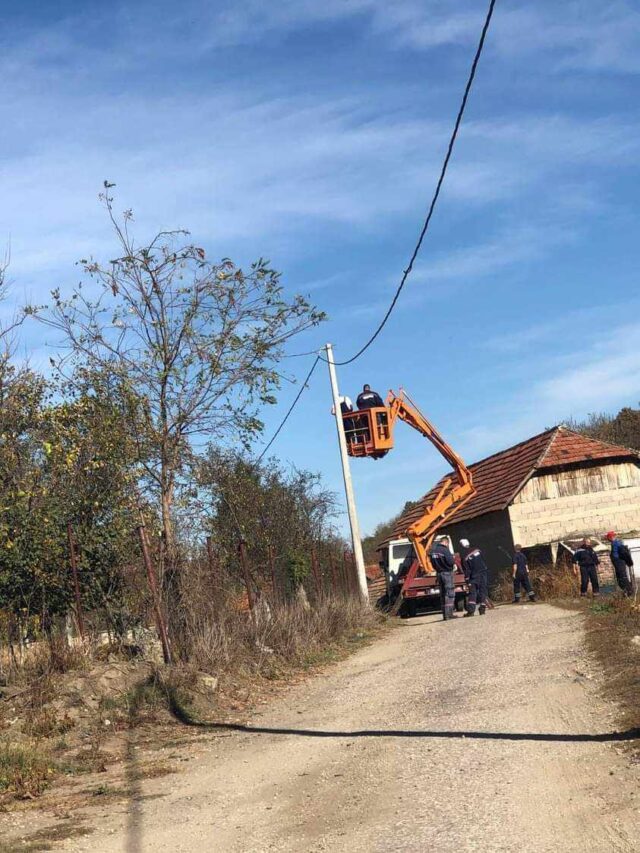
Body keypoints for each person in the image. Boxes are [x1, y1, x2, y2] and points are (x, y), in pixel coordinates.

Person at [429, 536, 457, 621]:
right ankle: (449, 614)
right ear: (446, 542)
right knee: (449, 593)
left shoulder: (433, 551)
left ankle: (444, 615)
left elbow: (432, 564)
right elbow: (451, 561)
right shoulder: (445, 550)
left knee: (443, 594)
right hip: (447, 573)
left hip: (439, 574)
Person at [460, 538, 488, 616]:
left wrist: (467, 580)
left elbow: (466, 570)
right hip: (483, 573)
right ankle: (482, 610)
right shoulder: (478, 550)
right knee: (483, 591)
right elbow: (483, 559)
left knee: (473, 593)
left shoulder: (464, 557)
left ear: (461, 546)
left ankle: (471, 611)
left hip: (474, 576)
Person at [605, 531, 634, 596]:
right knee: (620, 577)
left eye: (608, 538)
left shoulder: (617, 543)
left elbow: (620, 553)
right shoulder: (615, 543)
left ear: (610, 537)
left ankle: (629, 591)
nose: (608, 539)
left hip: (619, 561)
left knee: (622, 576)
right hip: (618, 562)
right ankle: (626, 590)